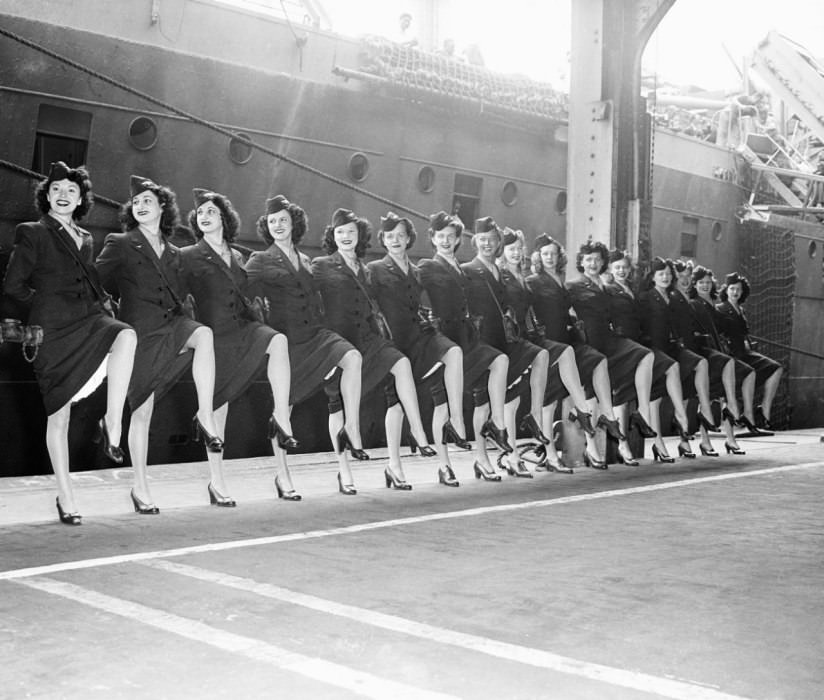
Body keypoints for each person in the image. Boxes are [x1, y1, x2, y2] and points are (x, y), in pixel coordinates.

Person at [3, 162, 137, 524]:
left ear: (80, 200)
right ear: (47, 196)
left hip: (87, 321)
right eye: (57, 189)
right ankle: (66, 497)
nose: (63, 195)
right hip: (53, 331)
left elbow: (90, 281)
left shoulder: (86, 237)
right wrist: (45, 307)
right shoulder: (32, 231)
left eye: (71, 191)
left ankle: (112, 423)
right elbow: (13, 286)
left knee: (125, 334)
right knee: (58, 415)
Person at [96, 175, 224, 513]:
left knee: (203, 334)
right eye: (136, 202)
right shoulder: (120, 242)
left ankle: (205, 415)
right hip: (140, 337)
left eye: (147, 201)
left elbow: (186, 295)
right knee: (142, 413)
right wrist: (107, 321)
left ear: (162, 207)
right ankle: (140, 488)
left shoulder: (175, 252)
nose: (140, 206)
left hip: (172, 327)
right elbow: (95, 283)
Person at [181, 188, 296, 506]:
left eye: (211, 212)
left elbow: (248, 295)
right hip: (214, 340)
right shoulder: (189, 255)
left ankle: (281, 418)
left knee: (277, 340)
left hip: (243, 330)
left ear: (224, 219)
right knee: (218, 413)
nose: (204, 217)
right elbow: (175, 294)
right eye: (200, 213)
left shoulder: (238, 256)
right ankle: (217, 483)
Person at [246, 195, 366, 495]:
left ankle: (351, 427)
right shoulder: (261, 260)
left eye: (283, 220)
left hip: (315, 334)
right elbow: (240, 290)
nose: (277, 226)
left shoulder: (307, 261)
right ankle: (282, 475)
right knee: (282, 407)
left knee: (351, 356)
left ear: (294, 224)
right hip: (287, 343)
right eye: (272, 221)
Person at [312, 208, 437, 492]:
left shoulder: (365, 268)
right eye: (340, 232)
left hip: (367, 338)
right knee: (338, 406)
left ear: (360, 237)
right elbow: (305, 294)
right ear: (333, 235)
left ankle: (418, 432)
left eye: (351, 232)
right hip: (339, 343)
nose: (345, 237)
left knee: (401, 364)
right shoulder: (320, 265)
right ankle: (344, 471)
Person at [368, 212, 468, 487]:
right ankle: (394, 466)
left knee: (453, 354)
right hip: (396, 344)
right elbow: (361, 299)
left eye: (401, 235)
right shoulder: (375, 269)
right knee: (397, 405)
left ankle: (456, 424)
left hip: (422, 338)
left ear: (409, 238)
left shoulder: (417, 270)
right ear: (383, 240)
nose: (395, 240)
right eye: (389, 236)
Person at [418, 211, 510, 482]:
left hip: (468, 338)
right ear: (433, 238)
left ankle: (493, 433)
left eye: (451, 236)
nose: (445, 241)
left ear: (458, 239)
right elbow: (408, 290)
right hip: (444, 341)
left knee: (499, 363)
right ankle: (444, 465)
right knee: (442, 405)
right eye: (440, 236)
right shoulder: (426, 265)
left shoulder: (460, 268)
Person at [499, 229, 597, 472]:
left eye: (518, 248)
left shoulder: (521, 276)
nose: (515, 253)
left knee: (561, 362)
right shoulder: (502, 276)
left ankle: (579, 415)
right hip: (511, 341)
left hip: (531, 340)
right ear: (503, 252)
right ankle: (513, 457)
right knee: (511, 403)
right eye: (510, 249)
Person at [527, 235, 620, 469]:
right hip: (548, 345)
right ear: (538, 256)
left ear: (560, 257)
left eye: (554, 254)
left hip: (565, 342)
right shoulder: (533, 281)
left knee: (597, 360)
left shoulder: (559, 280)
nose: (550, 258)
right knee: (548, 404)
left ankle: (603, 415)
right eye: (545, 254)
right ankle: (550, 455)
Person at [567, 241, 658, 462]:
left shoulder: (607, 287)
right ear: (581, 262)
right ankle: (592, 448)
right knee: (593, 398)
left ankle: (642, 414)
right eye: (588, 259)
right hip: (590, 343)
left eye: (597, 259)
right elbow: (564, 312)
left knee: (645, 355)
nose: (593, 263)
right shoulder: (573, 285)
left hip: (610, 341)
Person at [606, 250, 694, 463]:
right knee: (622, 398)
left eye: (624, 267)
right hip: (620, 347)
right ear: (610, 269)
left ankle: (679, 415)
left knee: (670, 366)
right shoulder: (608, 290)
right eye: (617, 267)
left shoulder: (633, 291)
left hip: (638, 346)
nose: (621, 271)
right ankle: (623, 445)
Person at [639, 258, 719, 461]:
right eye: (661, 274)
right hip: (655, 349)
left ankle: (704, 411)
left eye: (667, 274)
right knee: (654, 399)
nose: (665, 277)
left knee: (701, 363)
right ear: (653, 277)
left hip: (672, 348)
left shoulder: (673, 298)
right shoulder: (647, 297)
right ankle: (663, 438)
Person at [689, 265, 754, 453]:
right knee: (707, 398)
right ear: (695, 284)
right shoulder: (694, 304)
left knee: (737, 382)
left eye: (708, 282)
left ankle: (731, 439)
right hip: (706, 354)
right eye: (701, 282)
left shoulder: (712, 304)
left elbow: (728, 326)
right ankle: (705, 441)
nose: (705, 285)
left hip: (720, 352)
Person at [715, 272, 783, 430]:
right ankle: (743, 417)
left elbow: (743, 334)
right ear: (726, 290)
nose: (735, 292)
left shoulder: (741, 310)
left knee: (776, 368)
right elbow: (718, 335)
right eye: (732, 288)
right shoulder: (720, 309)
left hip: (745, 352)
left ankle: (763, 410)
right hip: (730, 354)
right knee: (745, 374)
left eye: (738, 289)